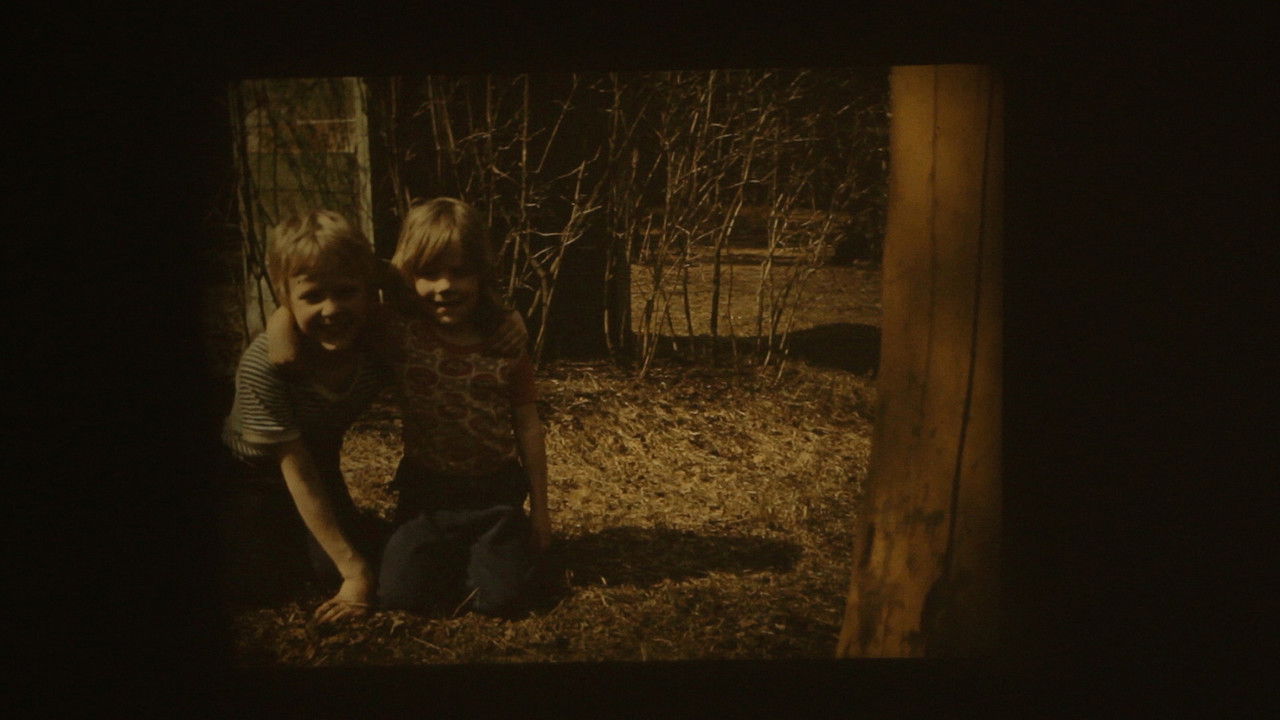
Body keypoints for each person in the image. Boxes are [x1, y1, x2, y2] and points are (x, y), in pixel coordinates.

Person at [220, 208, 527, 624]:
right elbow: (296, 470)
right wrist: (355, 573)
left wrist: (508, 317)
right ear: (284, 296)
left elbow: (414, 278)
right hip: (249, 474)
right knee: (257, 584)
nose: (332, 310)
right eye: (312, 297)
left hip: (320, 463)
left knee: (329, 568)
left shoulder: (377, 337)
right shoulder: (265, 365)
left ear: (368, 289)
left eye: (347, 292)